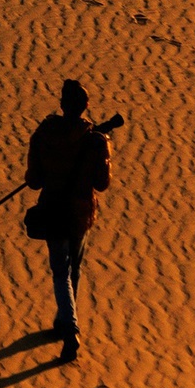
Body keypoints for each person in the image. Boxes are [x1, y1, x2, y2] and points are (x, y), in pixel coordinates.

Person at [26, 79, 111, 363]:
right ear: (85, 106)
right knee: (73, 269)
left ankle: (68, 325)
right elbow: (101, 184)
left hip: (53, 209)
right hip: (80, 215)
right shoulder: (95, 141)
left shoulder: (44, 133)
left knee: (61, 271)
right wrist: (104, 154)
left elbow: (34, 181)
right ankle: (68, 323)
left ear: (62, 105)